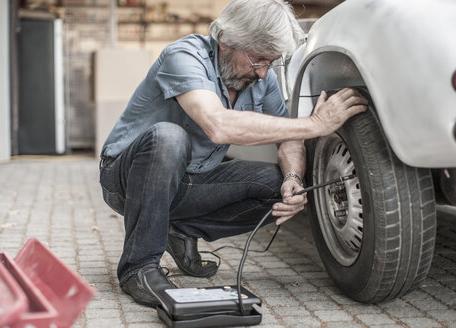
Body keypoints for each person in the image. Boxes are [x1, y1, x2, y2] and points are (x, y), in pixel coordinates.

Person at [99, 0, 367, 308]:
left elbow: (288, 137)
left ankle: (175, 229)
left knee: (277, 187)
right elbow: (218, 126)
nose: (265, 73)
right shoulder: (184, 57)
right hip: (126, 178)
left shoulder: (260, 80)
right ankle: (139, 268)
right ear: (226, 41)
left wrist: (293, 177)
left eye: (272, 62)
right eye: (258, 60)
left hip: (190, 180)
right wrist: (316, 124)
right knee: (170, 137)